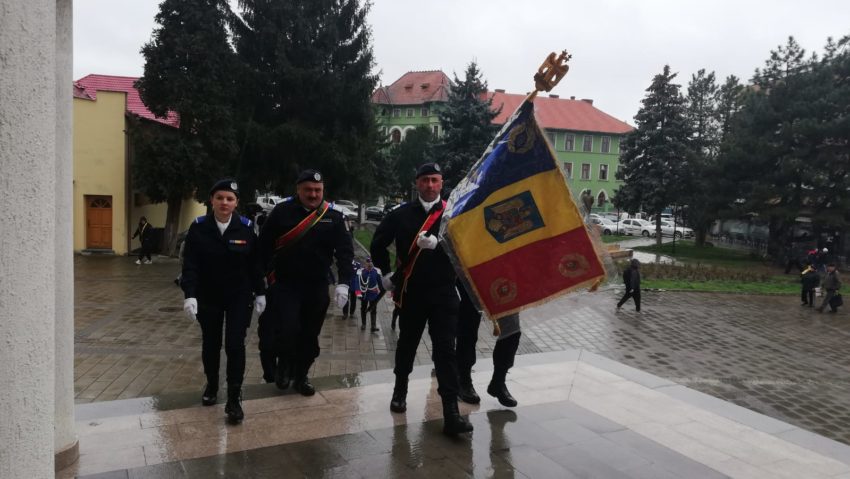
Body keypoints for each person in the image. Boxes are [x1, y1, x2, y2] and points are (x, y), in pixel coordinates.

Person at [370, 162, 473, 436]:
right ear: (417, 183)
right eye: (425, 180)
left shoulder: (453, 213)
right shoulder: (401, 214)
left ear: (442, 183)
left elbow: (468, 245)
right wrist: (386, 273)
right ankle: (399, 390)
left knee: (445, 350)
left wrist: (440, 245)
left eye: (435, 180)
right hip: (412, 292)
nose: (430, 185)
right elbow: (378, 242)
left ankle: (450, 410)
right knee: (407, 344)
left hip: (443, 292)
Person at [258, 169, 353, 396]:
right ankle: (283, 367)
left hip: (317, 285)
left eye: (318, 190)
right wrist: (257, 286)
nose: (313, 195)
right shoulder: (282, 212)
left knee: (310, 335)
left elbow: (345, 251)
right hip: (286, 284)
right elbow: (262, 248)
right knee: (288, 330)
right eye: (308, 190)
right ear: (298, 190)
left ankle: (301, 375)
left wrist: (344, 283)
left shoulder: (334, 216)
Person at [180, 179, 265, 424]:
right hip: (209, 296)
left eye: (229, 198)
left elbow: (255, 264)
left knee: (235, 345)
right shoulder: (199, 227)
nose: (224, 203)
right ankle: (212, 385)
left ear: (236, 202)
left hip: (239, 296)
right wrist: (190, 295)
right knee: (211, 343)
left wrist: (260, 292)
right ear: (212, 200)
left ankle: (234, 397)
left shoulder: (247, 228)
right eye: (220, 198)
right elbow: (191, 265)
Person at [456, 283, 521, 408]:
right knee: (469, 323)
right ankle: (464, 379)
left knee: (512, 328)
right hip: (470, 270)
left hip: (502, 272)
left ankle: (498, 381)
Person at [356, 258, 382, 332]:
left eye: (371, 263)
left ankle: (373, 326)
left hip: (373, 294)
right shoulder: (361, 272)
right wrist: (358, 293)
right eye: (368, 263)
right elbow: (357, 283)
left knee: (373, 310)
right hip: (365, 294)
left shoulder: (376, 272)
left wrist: (382, 290)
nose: (370, 264)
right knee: (363, 309)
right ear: (365, 264)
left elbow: (380, 283)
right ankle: (363, 324)